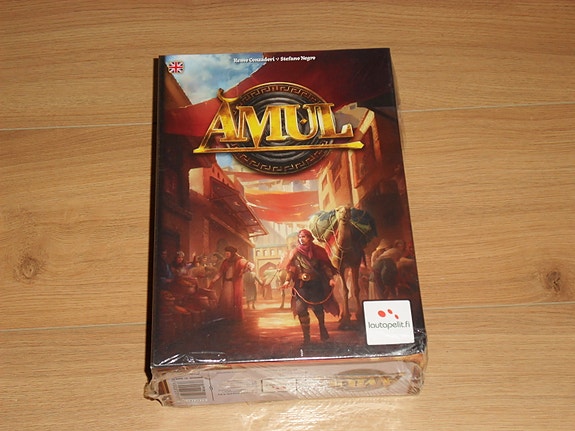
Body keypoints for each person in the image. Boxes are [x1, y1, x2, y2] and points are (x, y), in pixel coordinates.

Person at [282, 229, 340, 343]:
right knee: (300, 309)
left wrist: (331, 279)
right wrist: (287, 280)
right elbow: (292, 268)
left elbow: (325, 267)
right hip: (301, 285)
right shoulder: (295, 252)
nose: (301, 239)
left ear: (309, 238)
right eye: (300, 237)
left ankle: (322, 329)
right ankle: (306, 338)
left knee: (318, 308)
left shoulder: (318, 251)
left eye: (303, 237)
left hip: (315, 284)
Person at [210, 246, 248, 321]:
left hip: (234, 285)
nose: (226, 255)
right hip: (226, 284)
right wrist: (214, 280)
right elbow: (220, 272)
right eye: (226, 254)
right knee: (226, 301)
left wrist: (243, 271)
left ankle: (235, 317)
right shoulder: (225, 262)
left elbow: (250, 266)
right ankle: (227, 317)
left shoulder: (239, 260)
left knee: (234, 301)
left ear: (232, 253)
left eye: (228, 254)